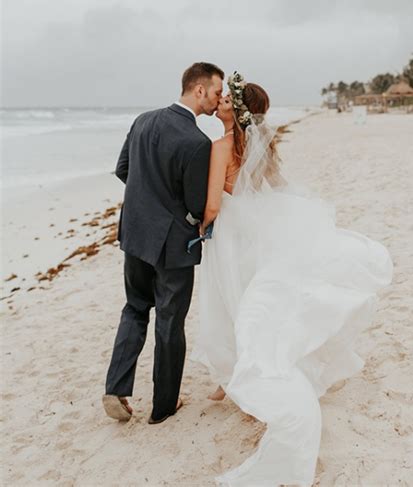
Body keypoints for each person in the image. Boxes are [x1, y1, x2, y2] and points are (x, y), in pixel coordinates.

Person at [195, 71, 393, 487]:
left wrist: (199, 224)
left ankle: (233, 379)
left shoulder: (220, 146)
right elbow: (276, 186)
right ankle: (233, 378)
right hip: (258, 233)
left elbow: (213, 204)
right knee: (250, 300)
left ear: (234, 107)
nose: (219, 103)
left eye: (225, 100)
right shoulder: (259, 148)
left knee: (227, 300)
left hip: (230, 234)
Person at [103, 62, 224, 425]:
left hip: (135, 234)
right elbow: (193, 204)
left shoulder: (143, 121)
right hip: (172, 246)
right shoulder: (196, 142)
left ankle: (116, 388)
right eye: (217, 92)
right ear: (199, 90)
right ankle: (163, 406)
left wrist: (148, 203)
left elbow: (124, 170)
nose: (219, 99)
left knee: (135, 308)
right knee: (170, 322)